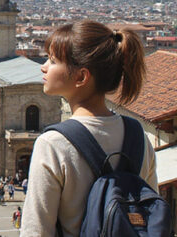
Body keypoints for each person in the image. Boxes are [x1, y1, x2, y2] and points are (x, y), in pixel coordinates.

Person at [21, 20, 157, 236]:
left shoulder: (53, 144)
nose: (43, 66)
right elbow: (151, 215)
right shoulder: (138, 136)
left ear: (81, 76)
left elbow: (36, 230)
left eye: (53, 60)